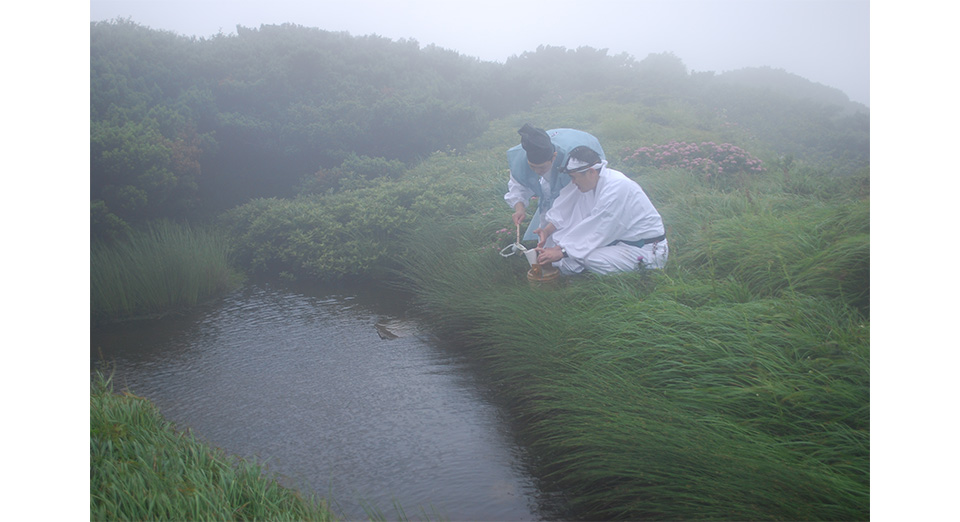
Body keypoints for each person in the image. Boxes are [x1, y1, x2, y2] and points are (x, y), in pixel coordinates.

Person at [533, 145, 668, 275]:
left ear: (591, 172)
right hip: (621, 242)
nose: (573, 182)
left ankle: (644, 272)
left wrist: (561, 251)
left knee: (586, 257)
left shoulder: (617, 187)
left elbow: (599, 229)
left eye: (574, 177)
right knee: (573, 252)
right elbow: (578, 217)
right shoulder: (594, 184)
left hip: (646, 250)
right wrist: (553, 240)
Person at [504, 124, 605, 241]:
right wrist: (520, 208)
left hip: (576, 181)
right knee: (548, 229)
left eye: (542, 167)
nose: (537, 171)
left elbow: (566, 204)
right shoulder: (522, 158)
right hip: (553, 179)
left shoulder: (572, 166)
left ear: (554, 157)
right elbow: (517, 185)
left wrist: (548, 230)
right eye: (532, 167)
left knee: (573, 222)